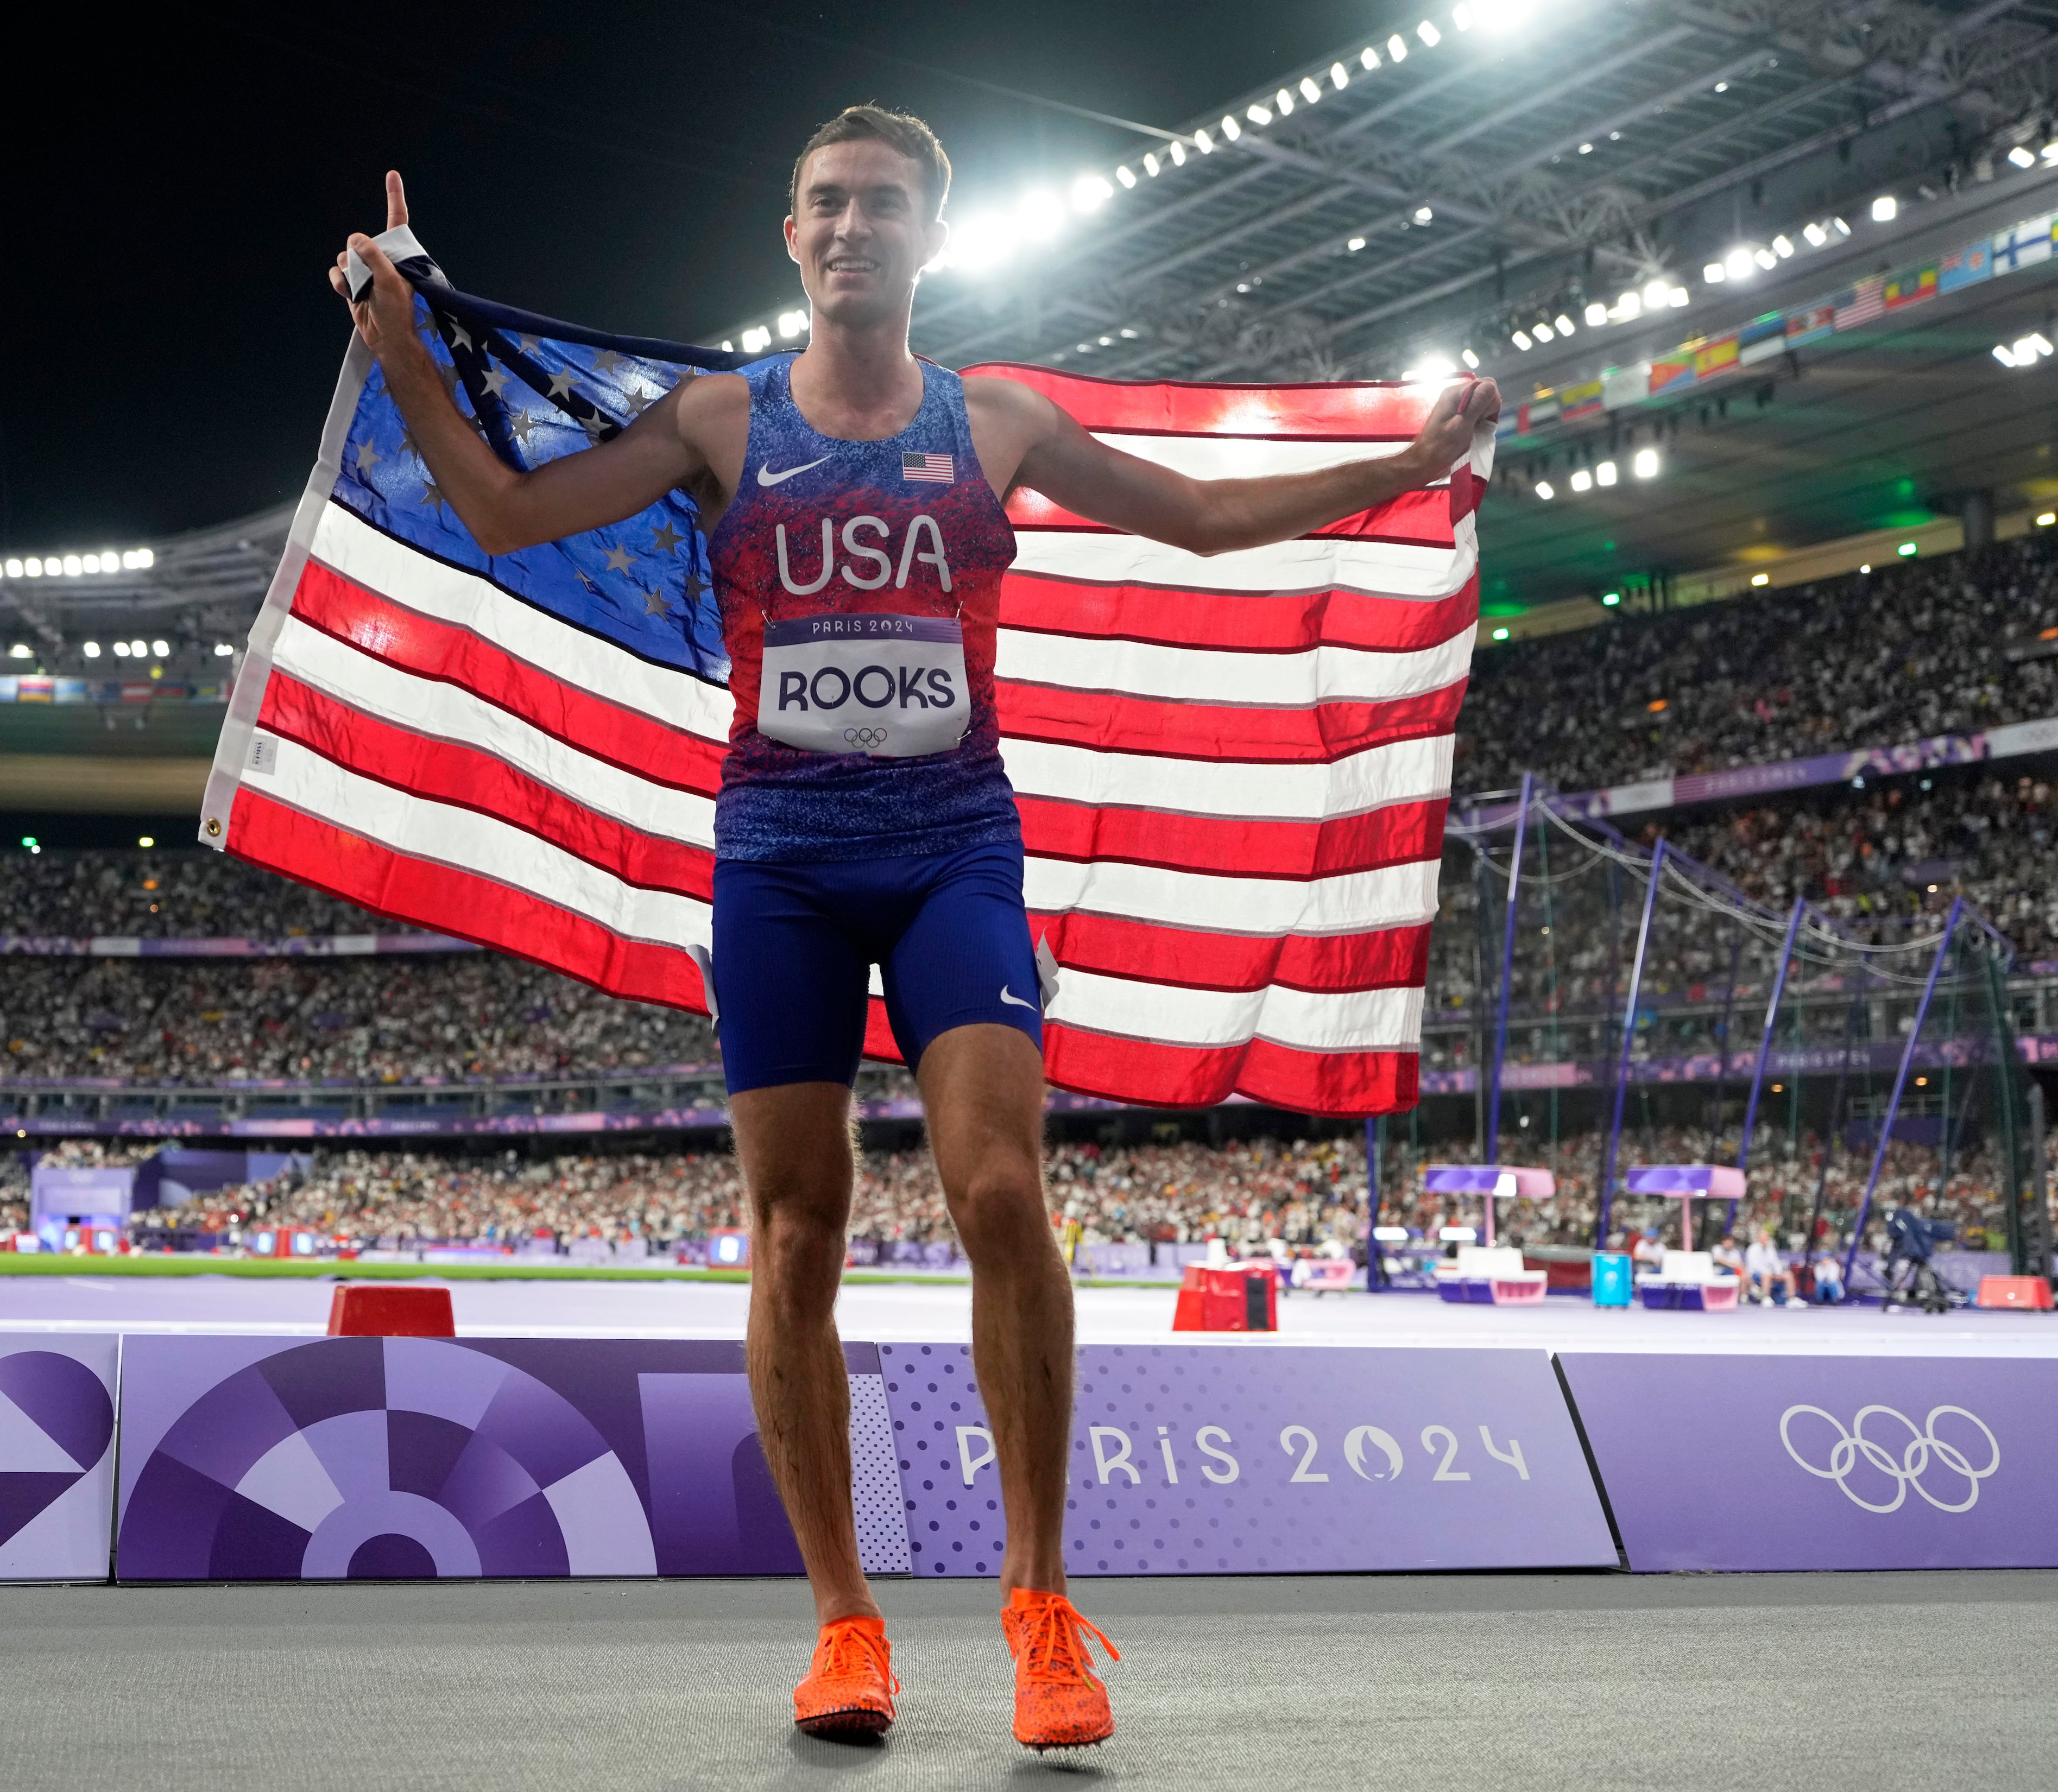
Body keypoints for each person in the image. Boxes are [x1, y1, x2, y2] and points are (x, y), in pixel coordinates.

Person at [330, 104, 1500, 1753]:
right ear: (789, 237)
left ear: (924, 238)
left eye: (883, 205)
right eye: (826, 204)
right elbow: (508, 514)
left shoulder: (994, 417)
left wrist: (1411, 463)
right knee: (794, 1228)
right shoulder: (719, 418)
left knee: (1001, 1190)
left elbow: (1208, 521)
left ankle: (1036, 1611)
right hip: (781, 859)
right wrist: (399, 347)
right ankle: (842, 1625)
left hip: (952, 846)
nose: (853, 226)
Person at [1742, 1226, 1788, 1306]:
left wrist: (1778, 1273)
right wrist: (1769, 1272)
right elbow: (1755, 1266)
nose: (1767, 1239)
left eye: (1767, 1237)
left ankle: (1791, 1299)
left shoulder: (1771, 1249)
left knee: (1788, 1275)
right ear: (1760, 1238)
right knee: (1766, 1274)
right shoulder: (1753, 1249)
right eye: (1765, 1237)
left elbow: (1776, 1263)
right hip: (1756, 1274)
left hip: (1772, 1273)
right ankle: (1766, 1298)